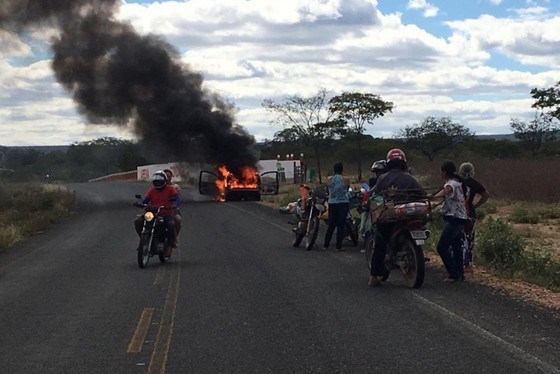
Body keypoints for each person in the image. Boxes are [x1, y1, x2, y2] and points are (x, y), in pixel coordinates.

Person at [368, 149, 425, 287]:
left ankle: (373, 277)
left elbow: (374, 195)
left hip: (390, 215)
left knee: (380, 243)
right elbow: (422, 193)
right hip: (410, 215)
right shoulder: (410, 178)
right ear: (403, 163)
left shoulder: (383, 178)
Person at [434, 161, 468, 282]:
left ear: (444, 172)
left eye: (441, 171)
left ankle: (453, 273)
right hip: (460, 217)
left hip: (454, 219)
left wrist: (431, 197)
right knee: (456, 246)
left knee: (442, 247)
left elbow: (446, 191)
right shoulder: (459, 182)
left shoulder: (451, 183)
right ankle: (459, 273)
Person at [134, 171, 179, 257]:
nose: (158, 183)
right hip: (152, 213)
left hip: (166, 213)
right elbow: (145, 200)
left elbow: (177, 199)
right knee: (138, 221)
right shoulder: (152, 190)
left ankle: (172, 241)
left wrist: (174, 205)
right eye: (156, 182)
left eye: (159, 181)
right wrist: (140, 203)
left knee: (170, 223)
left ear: (164, 181)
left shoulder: (170, 189)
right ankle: (144, 241)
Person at [459, 162, 490, 273]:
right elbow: (486, 195)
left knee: (458, 237)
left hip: (458, 212)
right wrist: (475, 205)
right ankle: (468, 265)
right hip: (470, 213)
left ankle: (458, 262)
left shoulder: (458, 182)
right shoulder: (474, 183)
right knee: (469, 238)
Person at [322, 162, 350, 251]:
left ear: (334, 170)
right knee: (340, 224)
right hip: (343, 203)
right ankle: (338, 246)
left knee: (331, 224)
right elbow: (347, 188)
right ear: (342, 170)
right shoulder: (346, 179)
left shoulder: (329, 179)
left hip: (332, 202)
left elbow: (328, 190)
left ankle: (326, 245)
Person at [163, 168, 182, 235]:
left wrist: (174, 205)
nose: (167, 178)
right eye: (166, 176)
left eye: (169, 177)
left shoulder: (175, 187)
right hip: (158, 208)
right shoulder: (157, 185)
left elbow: (178, 198)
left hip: (172, 208)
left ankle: (174, 238)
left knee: (177, 219)